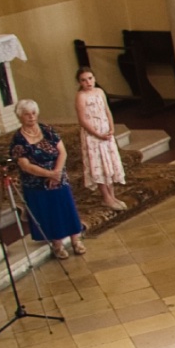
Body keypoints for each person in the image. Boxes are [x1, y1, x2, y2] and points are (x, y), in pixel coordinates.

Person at [11, 100, 83, 258]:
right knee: (50, 212)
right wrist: (49, 174)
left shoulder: (47, 130)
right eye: (27, 114)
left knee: (66, 207)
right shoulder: (18, 139)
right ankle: (57, 244)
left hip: (58, 175)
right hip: (36, 183)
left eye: (33, 113)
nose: (31, 117)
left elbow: (62, 152)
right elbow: (25, 166)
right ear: (20, 117)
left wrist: (56, 173)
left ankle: (76, 240)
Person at [71, 68, 126, 211]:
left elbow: (107, 110)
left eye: (90, 78)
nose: (88, 82)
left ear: (94, 78)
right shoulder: (81, 96)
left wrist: (112, 128)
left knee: (109, 163)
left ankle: (112, 195)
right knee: (98, 164)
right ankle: (106, 197)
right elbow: (82, 119)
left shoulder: (100, 92)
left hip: (105, 132)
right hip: (93, 135)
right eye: (84, 80)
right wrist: (97, 134)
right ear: (80, 82)